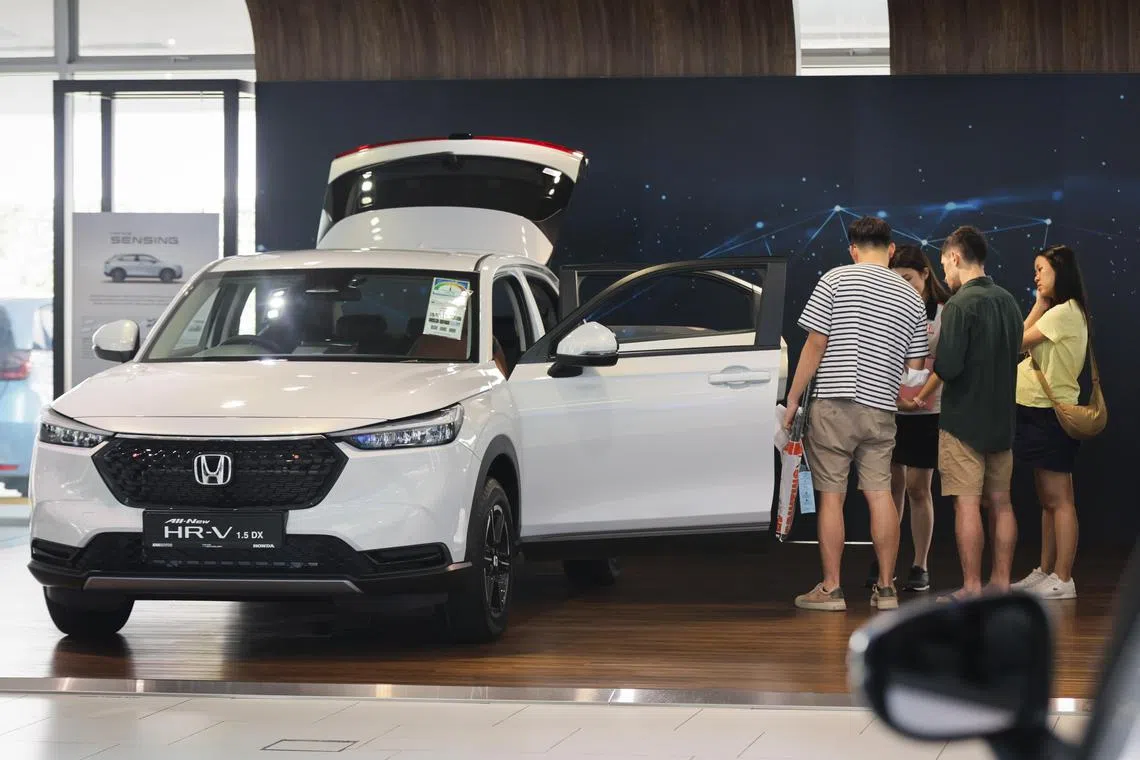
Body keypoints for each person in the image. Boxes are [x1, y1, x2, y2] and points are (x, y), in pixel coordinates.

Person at [785, 216, 929, 612]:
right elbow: (915, 371)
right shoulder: (912, 297)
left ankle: (831, 589)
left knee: (832, 497)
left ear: (853, 249)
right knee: (881, 494)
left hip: (833, 402)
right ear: (892, 249)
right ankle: (886, 589)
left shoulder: (835, 279)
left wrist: (793, 400)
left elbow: (815, 344)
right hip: (881, 407)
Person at [903, 226, 1023, 600]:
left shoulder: (958, 305)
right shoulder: (1009, 301)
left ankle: (972, 588)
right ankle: (1001, 584)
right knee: (1002, 502)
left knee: (966, 503)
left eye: (943, 264)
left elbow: (949, 366)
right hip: (1002, 421)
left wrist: (919, 396)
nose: (944, 274)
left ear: (955, 257)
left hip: (962, 423)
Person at [866, 245, 951, 594]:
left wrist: (918, 398)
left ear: (925, 275)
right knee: (889, 488)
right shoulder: (885, 311)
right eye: (893, 279)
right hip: (889, 409)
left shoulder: (943, 313)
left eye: (907, 279)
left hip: (926, 411)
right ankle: (886, 561)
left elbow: (945, 364)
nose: (901, 286)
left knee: (919, 488)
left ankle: (920, 564)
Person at [1010, 245, 1090, 600]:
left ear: (1061, 272)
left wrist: (1040, 305)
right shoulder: (1061, 312)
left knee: (1060, 500)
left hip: (1049, 414)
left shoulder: (1063, 313)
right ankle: (1046, 571)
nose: (1036, 277)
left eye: (1041, 269)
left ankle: (1063, 577)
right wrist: (1042, 304)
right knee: (1048, 499)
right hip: (1036, 411)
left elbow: (1014, 341)